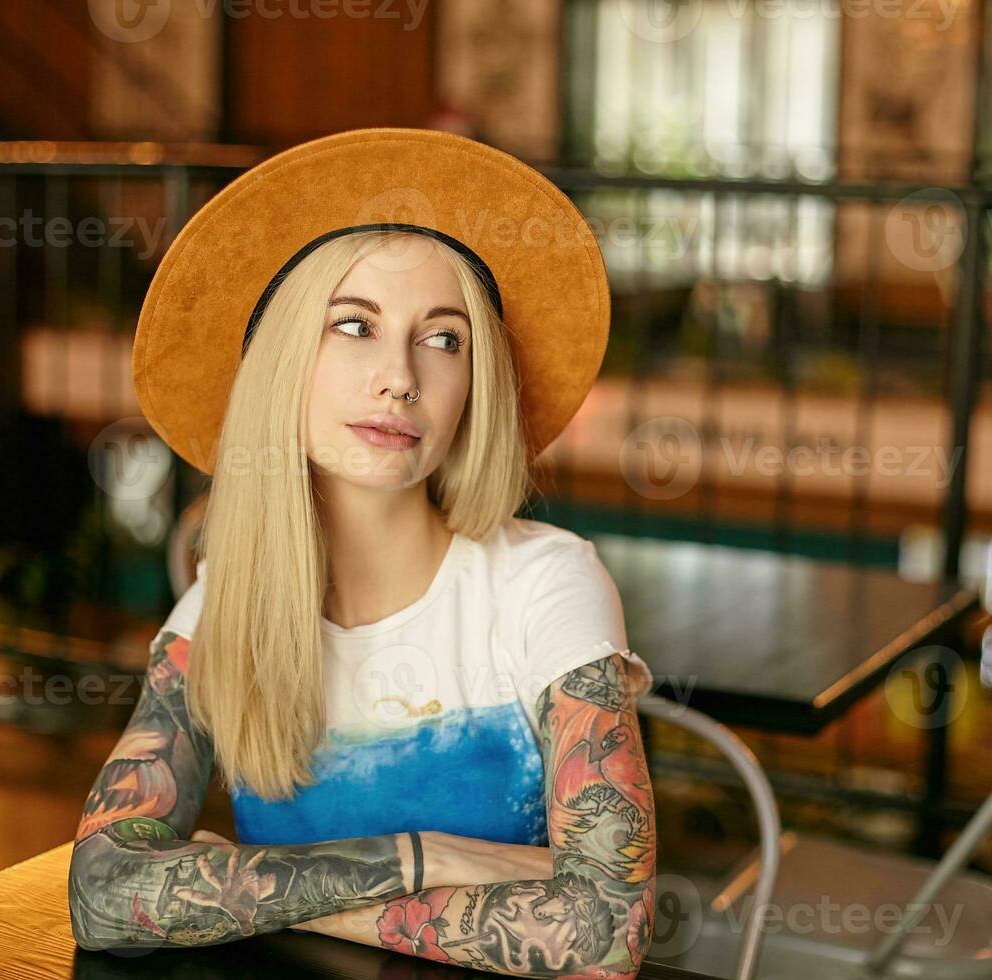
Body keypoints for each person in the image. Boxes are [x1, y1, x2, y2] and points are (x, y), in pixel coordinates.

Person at [68, 128, 658, 979]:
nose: (400, 377)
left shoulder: (545, 583)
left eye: (444, 339)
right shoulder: (224, 603)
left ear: (474, 384)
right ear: (282, 364)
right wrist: (429, 858)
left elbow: (605, 932)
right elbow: (103, 893)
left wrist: (242, 898)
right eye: (355, 326)